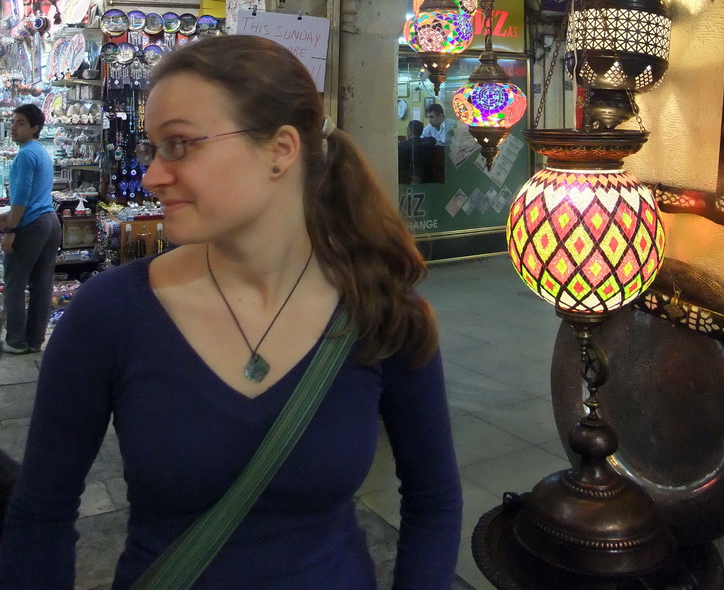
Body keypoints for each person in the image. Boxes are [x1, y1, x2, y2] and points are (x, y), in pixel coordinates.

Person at [0, 36, 462, 590]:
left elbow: (433, 500)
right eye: (153, 149)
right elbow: (41, 514)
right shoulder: (112, 314)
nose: (150, 176)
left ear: (280, 149)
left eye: (179, 145)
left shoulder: (380, 308)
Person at [0, 103, 60, 355]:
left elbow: (23, 195)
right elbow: (35, 194)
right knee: (41, 284)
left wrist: (10, 230)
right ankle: (35, 340)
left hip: (32, 225)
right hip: (49, 221)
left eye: (21, 123)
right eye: (13, 121)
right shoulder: (40, 152)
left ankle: (15, 341)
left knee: (14, 283)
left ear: (35, 128)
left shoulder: (25, 155)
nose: (13, 126)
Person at [397, 119, 436, 184]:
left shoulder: (402, 145)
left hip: (408, 179)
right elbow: (433, 140)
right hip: (427, 178)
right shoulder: (428, 142)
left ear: (410, 131)